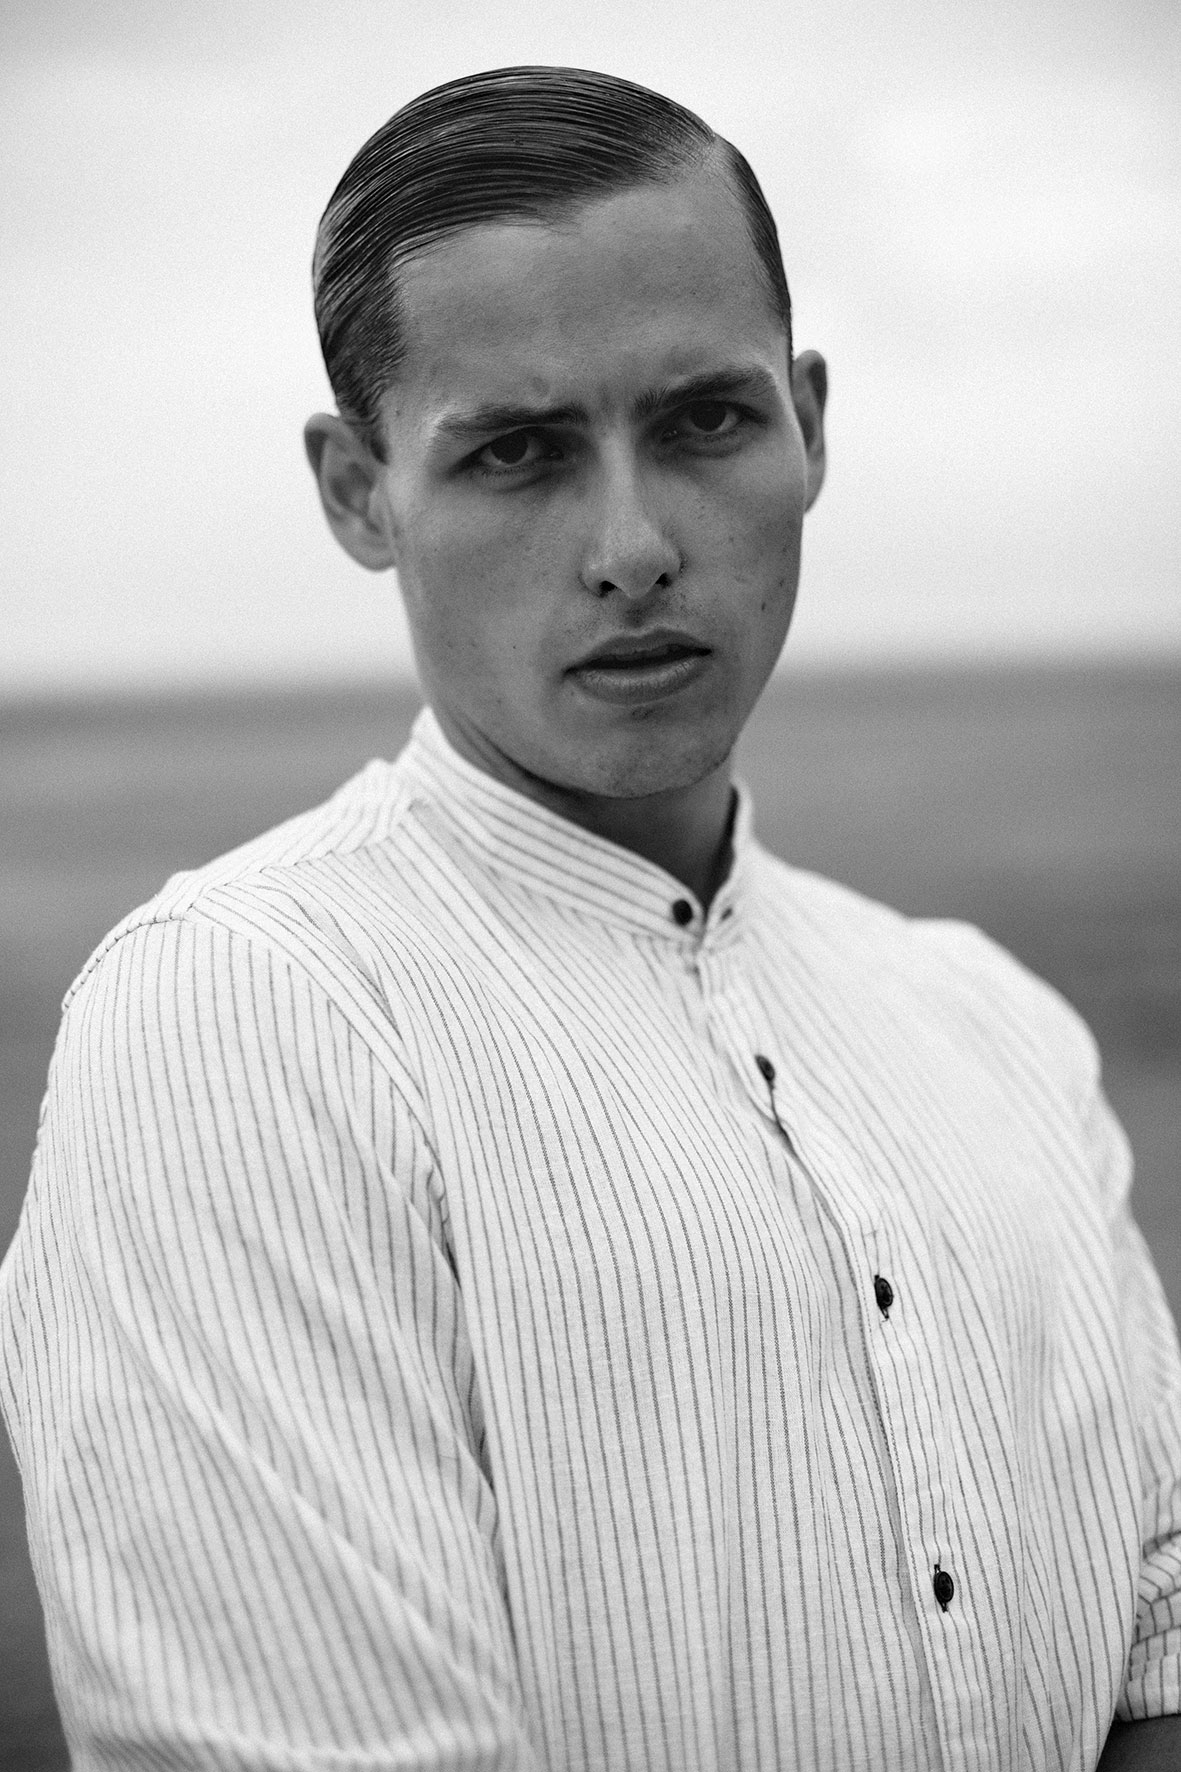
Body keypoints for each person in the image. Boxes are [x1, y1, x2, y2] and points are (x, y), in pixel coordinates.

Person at [1, 64, 1178, 1772]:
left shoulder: (991, 1024)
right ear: (357, 492)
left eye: (704, 421)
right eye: (517, 453)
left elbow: (1157, 1624)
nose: (631, 546)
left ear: (808, 426)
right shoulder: (246, 1022)